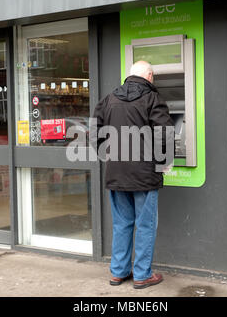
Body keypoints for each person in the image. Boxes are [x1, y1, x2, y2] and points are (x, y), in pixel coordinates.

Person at [92, 60, 174, 289]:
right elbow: (164, 134)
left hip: (116, 174)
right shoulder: (152, 99)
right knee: (145, 225)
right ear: (149, 75)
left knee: (122, 223)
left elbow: (94, 133)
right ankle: (142, 275)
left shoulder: (109, 99)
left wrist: (110, 157)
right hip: (144, 175)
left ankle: (118, 272)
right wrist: (164, 162)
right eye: (153, 77)